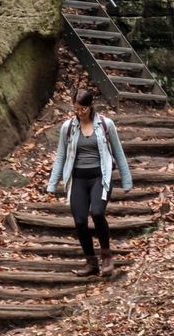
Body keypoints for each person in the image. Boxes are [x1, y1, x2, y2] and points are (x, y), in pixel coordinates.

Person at [46, 85, 132, 277]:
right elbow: (60, 156)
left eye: (82, 109)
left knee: (98, 212)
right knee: (79, 220)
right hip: (78, 178)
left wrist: (126, 180)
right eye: (75, 109)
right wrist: (52, 183)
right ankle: (90, 262)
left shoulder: (105, 125)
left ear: (91, 106)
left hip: (100, 176)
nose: (79, 113)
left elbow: (118, 152)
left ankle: (107, 257)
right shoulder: (68, 127)